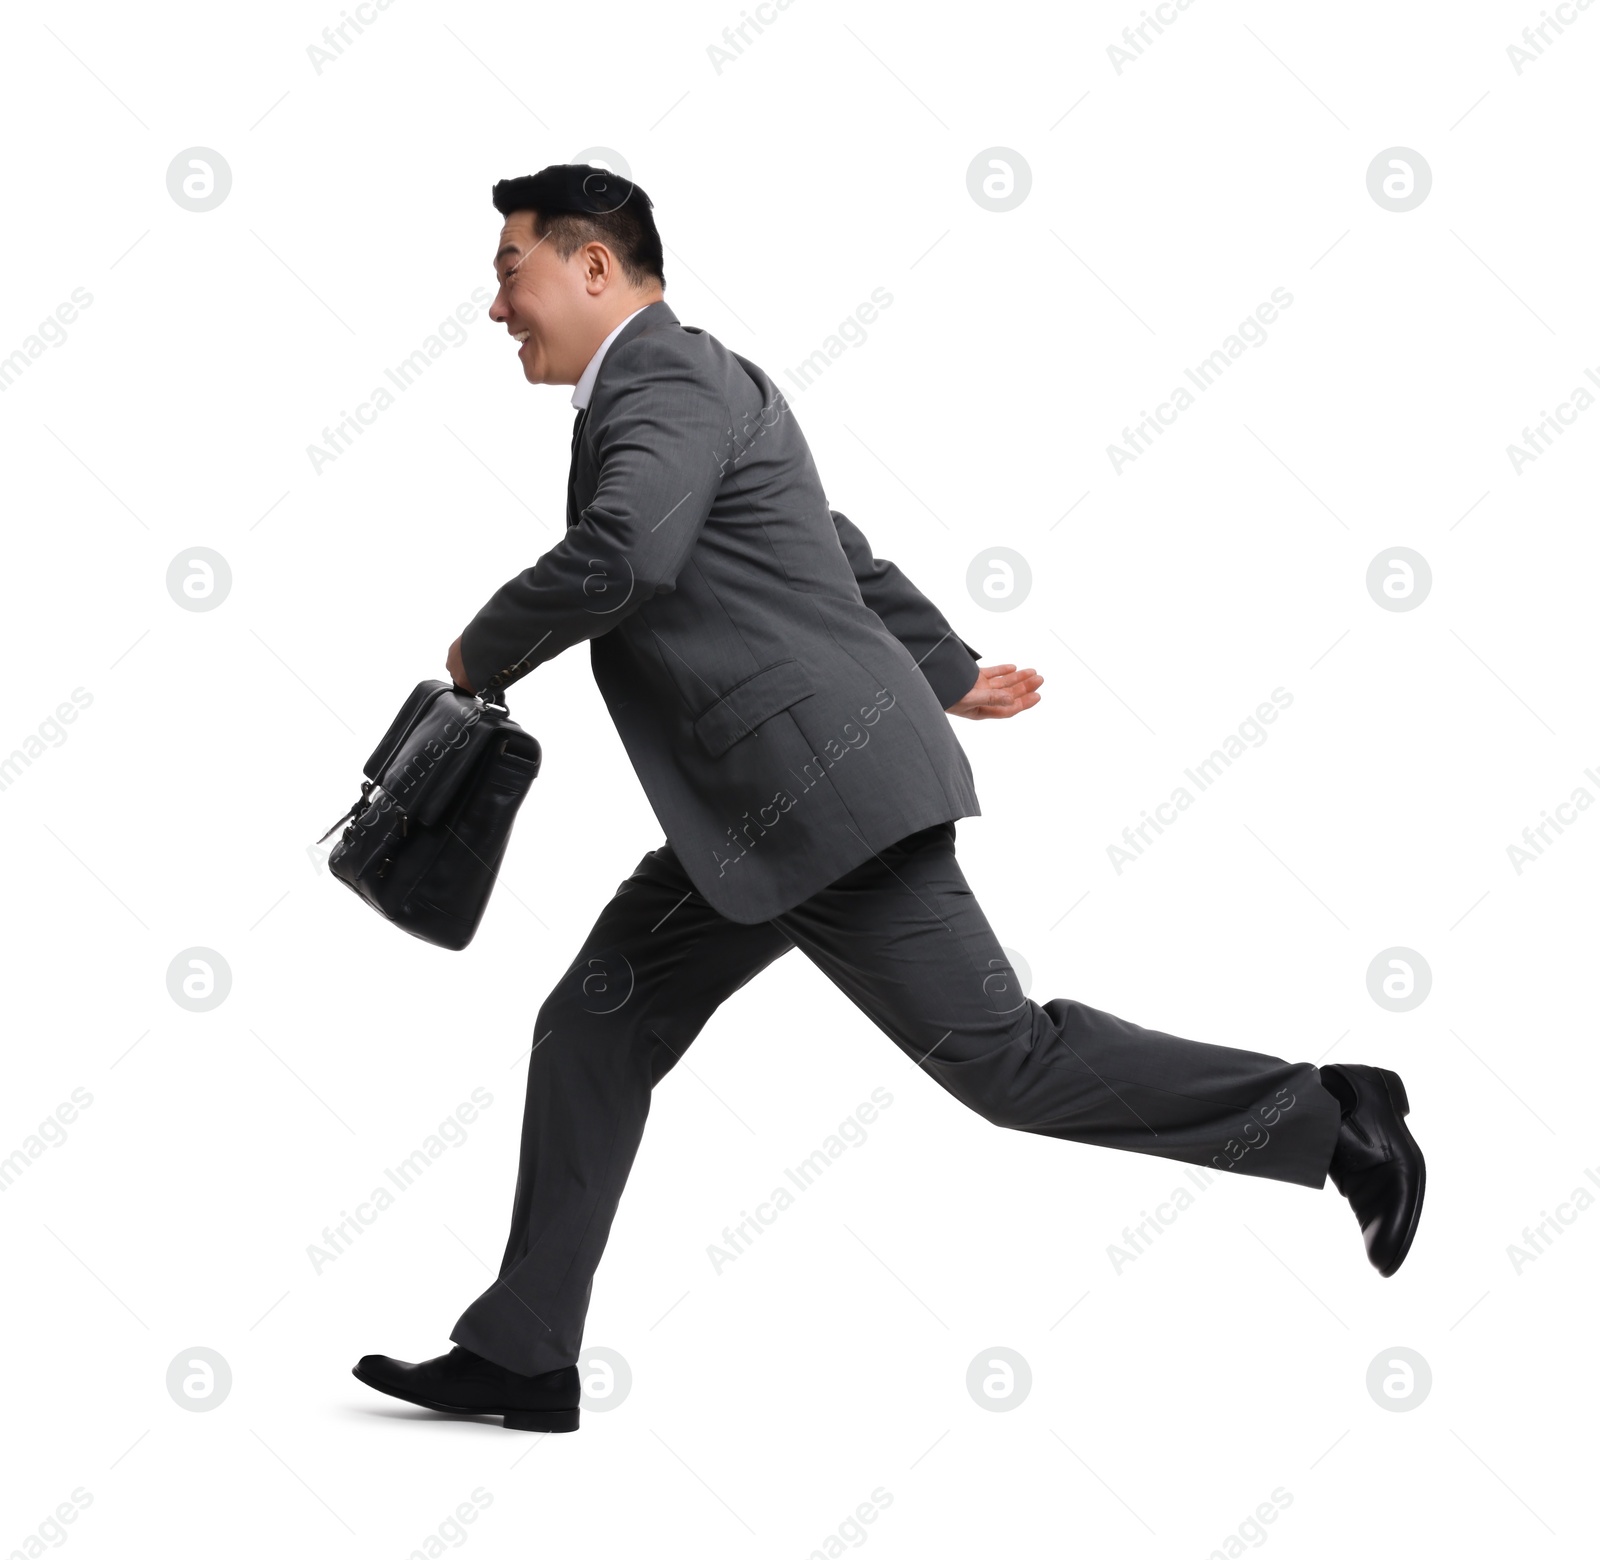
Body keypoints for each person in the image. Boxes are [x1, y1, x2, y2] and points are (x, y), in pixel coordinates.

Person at [353, 165, 1425, 1434]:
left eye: (508, 268)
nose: (496, 305)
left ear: (593, 266)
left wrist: (483, 649)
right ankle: (524, 1354)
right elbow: (828, 541)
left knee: (1004, 1063)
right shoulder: (705, 381)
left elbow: (626, 558)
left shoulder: (665, 380)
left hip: (819, 803)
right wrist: (950, 668)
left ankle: (1329, 1115)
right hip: (747, 822)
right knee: (592, 1025)